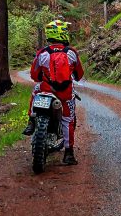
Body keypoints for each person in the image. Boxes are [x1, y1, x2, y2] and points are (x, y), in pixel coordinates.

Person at [24, 20, 84, 164]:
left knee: (35, 91)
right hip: (65, 92)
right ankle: (69, 154)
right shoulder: (72, 53)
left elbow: (34, 75)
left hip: (46, 88)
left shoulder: (42, 53)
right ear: (64, 34)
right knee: (68, 120)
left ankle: (31, 120)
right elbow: (79, 74)